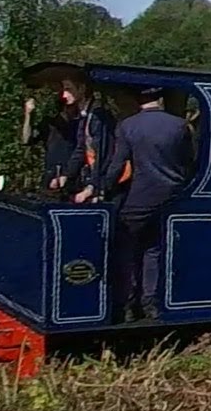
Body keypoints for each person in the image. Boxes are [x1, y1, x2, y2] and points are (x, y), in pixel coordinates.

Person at [74, 86, 193, 322]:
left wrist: (100, 189)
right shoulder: (179, 125)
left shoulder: (128, 126)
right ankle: (150, 302)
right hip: (172, 198)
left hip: (141, 197)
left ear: (139, 100)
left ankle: (127, 303)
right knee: (153, 249)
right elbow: (189, 162)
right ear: (160, 99)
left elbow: (117, 164)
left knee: (126, 246)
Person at [49, 77, 116, 195]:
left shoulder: (98, 115)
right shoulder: (85, 115)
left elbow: (103, 153)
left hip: (106, 183)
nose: (64, 95)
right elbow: (81, 148)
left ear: (82, 89)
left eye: (69, 89)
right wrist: (66, 175)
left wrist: (93, 187)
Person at [20, 91, 79, 190]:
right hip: (51, 172)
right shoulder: (49, 124)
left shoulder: (78, 125)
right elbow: (27, 139)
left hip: (73, 175)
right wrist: (29, 114)